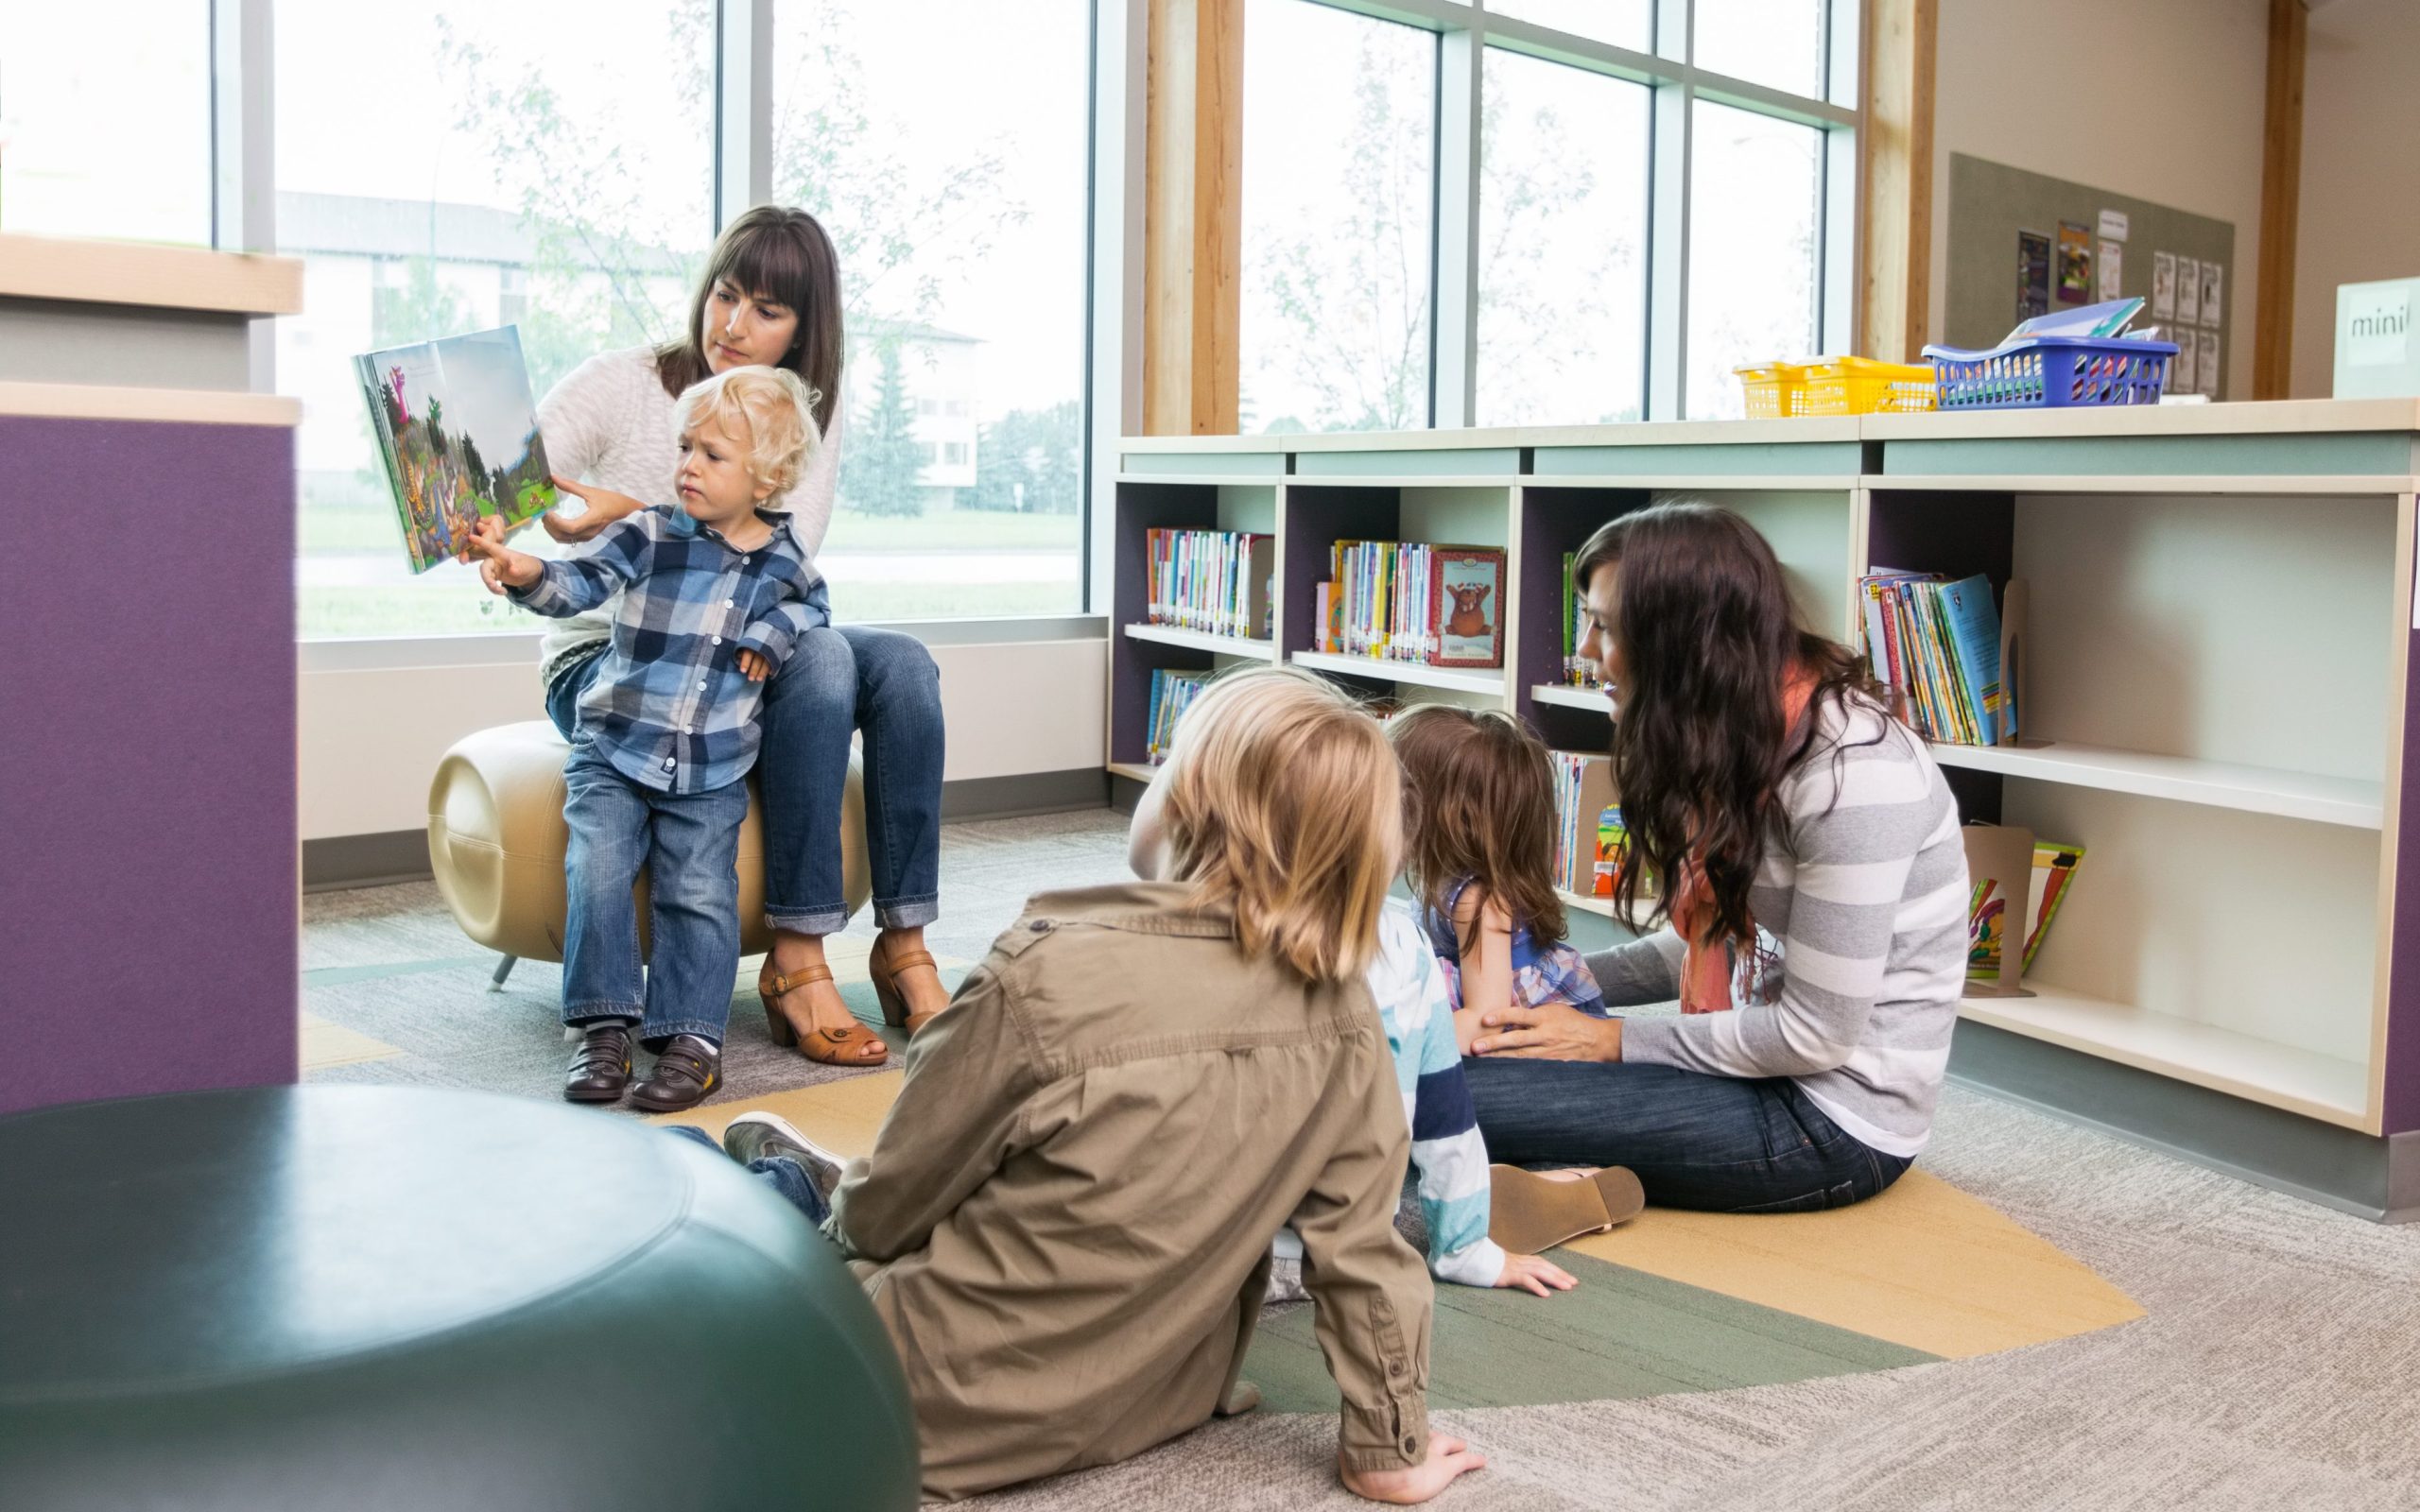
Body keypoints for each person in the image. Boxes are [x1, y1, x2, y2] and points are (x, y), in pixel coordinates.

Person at [674, 667, 1485, 1503]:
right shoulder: (1347, 1018)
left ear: (1184, 804)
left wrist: (832, 1249)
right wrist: (1389, 1448)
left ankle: (783, 1184)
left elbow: (894, 1206)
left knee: (688, 1190)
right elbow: (1364, 1256)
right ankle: (795, 1181)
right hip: (1150, 1402)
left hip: (910, 1402)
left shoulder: (1045, 972)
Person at [520, 205, 945, 1072]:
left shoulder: (800, 416)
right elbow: (515, 466)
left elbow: (780, 563)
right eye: (725, 296)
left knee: (902, 665)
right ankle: (798, 956)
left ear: (804, 329)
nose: (733, 326)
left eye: (767, 311)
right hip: (614, 655)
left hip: (731, 645)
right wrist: (507, 521)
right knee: (822, 655)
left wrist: (637, 511)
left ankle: (905, 946)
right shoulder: (626, 380)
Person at [1461, 501, 1969, 1212]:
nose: (1582, 649)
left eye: (1604, 626)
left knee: (1442, 1092)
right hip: (1752, 1071)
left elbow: (1813, 1036)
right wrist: (1551, 983)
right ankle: (1568, 1176)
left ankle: (1561, 1170)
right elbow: (1720, 946)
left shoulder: (1852, 777)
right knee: (1471, 1058)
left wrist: (1606, 1040)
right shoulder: (1749, 734)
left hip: (1829, 1123)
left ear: (1682, 641)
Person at [463, 366, 825, 1113]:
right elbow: (580, 583)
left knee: (699, 892)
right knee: (596, 869)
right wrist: (526, 571)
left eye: (712, 455)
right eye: (685, 447)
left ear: (768, 476)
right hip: (616, 745)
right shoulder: (651, 530)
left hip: (712, 762)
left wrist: (775, 628)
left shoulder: (786, 560)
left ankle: (693, 1039)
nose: (687, 465)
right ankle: (603, 1029)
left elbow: (815, 606)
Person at [1127, 717, 1592, 1295]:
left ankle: (1570, 1175)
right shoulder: (1401, 946)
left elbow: (1492, 1022)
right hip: (1334, 1255)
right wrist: (1467, 1248)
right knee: (1433, 1103)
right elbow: (1448, 1129)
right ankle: (1549, 1181)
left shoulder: (1203, 931)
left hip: (1199, 1254)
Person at [1387, 704, 1610, 1046]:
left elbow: (1485, 1020)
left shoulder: (1476, 901)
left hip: (1523, 1027)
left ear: (1442, 815)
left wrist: (1402, 1044)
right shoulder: (1444, 879)